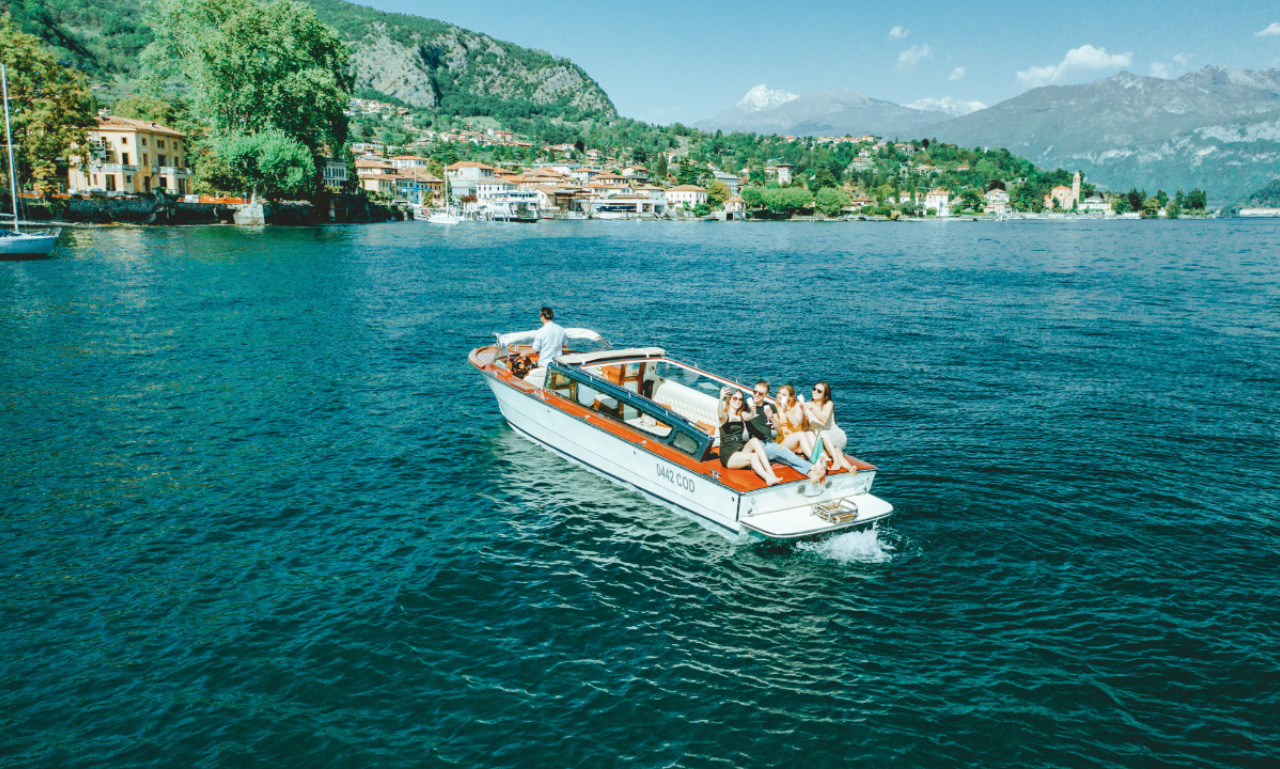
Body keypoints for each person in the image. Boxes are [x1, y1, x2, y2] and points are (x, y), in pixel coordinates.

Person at [745, 380, 827, 484]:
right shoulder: (746, 407)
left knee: (789, 459)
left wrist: (772, 417)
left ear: (765, 395)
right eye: (754, 391)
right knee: (783, 450)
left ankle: (812, 473)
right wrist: (751, 413)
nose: (756, 395)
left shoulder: (771, 407)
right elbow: (741, 417)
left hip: (771, 443)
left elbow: (778, 428)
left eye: (760, 393)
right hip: (763, 445)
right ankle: (815, 466)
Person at [717, 387, 780, 486]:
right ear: (729, 399)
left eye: (740, 399)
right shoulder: (725, 415)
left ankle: (771, 473)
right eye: (735, 398)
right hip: (728, 455)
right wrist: (721, 399)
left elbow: (749, 417)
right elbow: (720, 414)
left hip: (739, 450)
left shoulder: (741, 414)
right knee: (753, 456)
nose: (738, 401)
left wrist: (753, 411)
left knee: (754, 440)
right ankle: (768, 478)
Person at [801, 381, 854, 472]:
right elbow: (806, 427)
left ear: (825, 394)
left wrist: (812, 408)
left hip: (836, 436)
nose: (815, 392)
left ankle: (836, 461)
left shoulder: (828, 404)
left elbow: (824, 420)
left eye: (819, 391)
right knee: (836, 451)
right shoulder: (808, 405)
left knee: (823, 433)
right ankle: (850, 469)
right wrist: (804, 413)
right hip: (822, 440)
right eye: (814, 389)